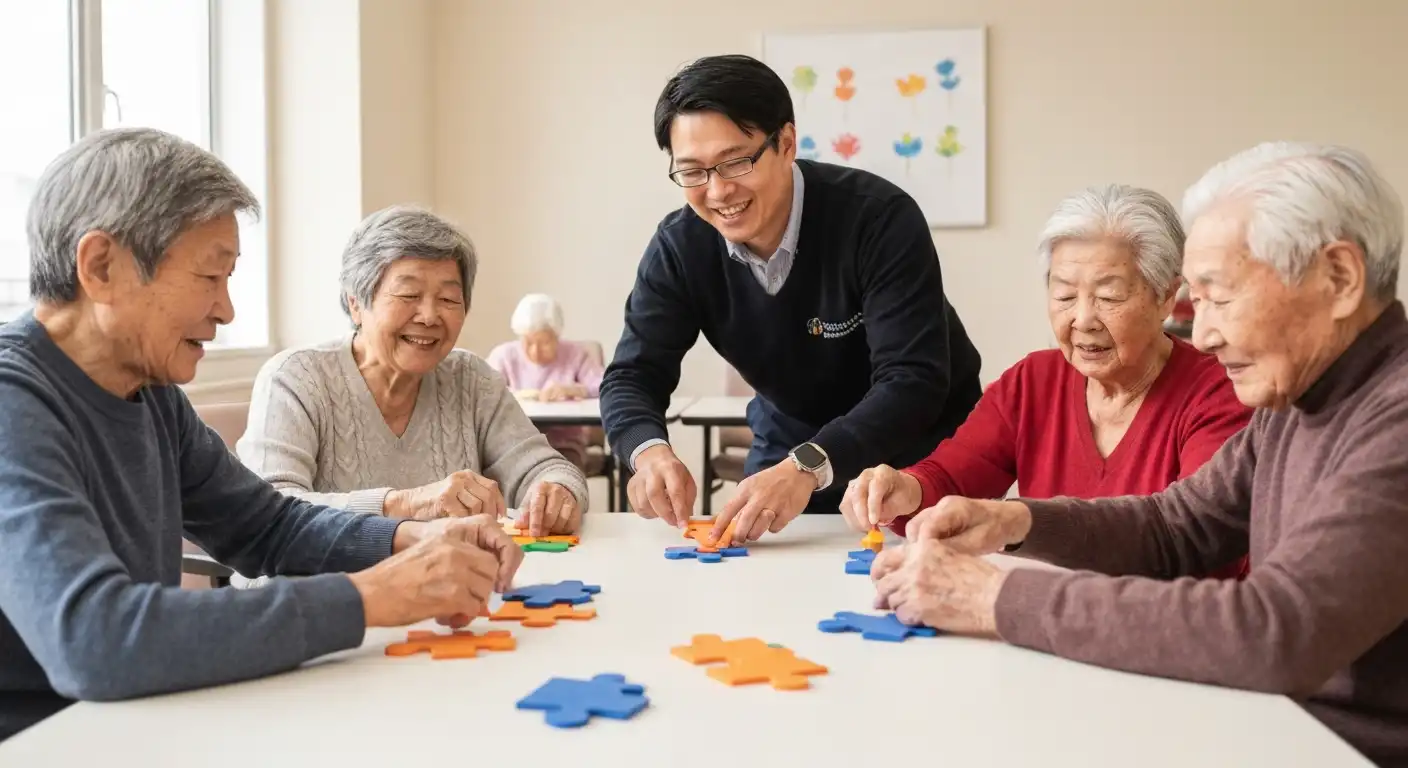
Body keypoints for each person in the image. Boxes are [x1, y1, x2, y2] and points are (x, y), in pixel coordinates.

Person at [870, 142, 1408, 766]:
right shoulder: (1300, 398)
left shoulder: (1392, 417)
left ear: (1338, 279)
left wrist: (993, 600)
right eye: (1196, 302)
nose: (1202, 334)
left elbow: (1276, 629)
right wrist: (1015, 522)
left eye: (1220, 297)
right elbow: (1173, 526)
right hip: (1270, 723)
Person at [0, 127, 523, 742]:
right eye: (209, 276)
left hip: (135, 721)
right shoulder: (15, 404)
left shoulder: (151, 394)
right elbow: (95, 639)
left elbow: (266, 526)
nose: (226, 311)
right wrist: (370, 597)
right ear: (101, 266)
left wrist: (411, 538)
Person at [600, 54, 983, 544]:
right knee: (769, 587)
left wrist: (808, 465)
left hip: (919, 444)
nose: (717, 191)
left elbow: (913, 380)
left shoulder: (878, 219)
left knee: (919, 593)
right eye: (693, 171)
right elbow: (632, 375)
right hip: (790, 437)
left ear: (785, 142)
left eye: (736, 161)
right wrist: (649, 452)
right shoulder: (680, 247)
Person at [840, 184, 1252, 577]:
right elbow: (950, 479)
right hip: (1043, 627)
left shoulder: (1219, 395)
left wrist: (1021, 526)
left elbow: (1196, 547)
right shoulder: (1032, 382)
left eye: (1109, 297)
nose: (1084, 319)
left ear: (1166, 296)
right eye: (1064, 295)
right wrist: (906, 488)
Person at [238, 207, 587, 539]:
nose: (430, 315)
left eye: (449, 299)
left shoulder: (471, 379)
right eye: (409, 294)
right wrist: (407, 504)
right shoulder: (295, 379)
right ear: (356, 303)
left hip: (441, 592)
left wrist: (556, 491)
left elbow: (547, 468)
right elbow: (270, 513)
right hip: (319, 594)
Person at [487, 293, 605, 469]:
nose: (535, 351)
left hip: (565, 442)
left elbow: (605, 385)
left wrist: (576, 390)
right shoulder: (504, 356)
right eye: (528, 342)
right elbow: (485, 392)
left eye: (544, 342)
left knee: (564, 477)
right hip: (514, 443)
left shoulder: (576, 354)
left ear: (557, 336)